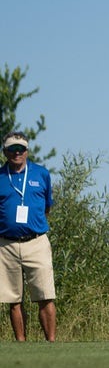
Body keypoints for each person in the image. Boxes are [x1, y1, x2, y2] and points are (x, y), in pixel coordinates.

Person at [0, 132, 56, 342]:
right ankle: (21, 344)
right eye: (12, 149)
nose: (17, 153)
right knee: (13, 300)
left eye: (20, 149)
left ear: (27, 151)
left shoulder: (41, 174)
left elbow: (47, 207)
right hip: (6, 245)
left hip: (36, 242)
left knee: (45, 296)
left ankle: (51, 344)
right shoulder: (0, 176)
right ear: (5, 151)